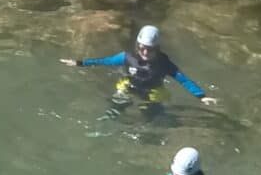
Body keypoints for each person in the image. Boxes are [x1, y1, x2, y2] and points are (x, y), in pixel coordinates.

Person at [61, 25, 218, 112]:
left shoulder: (164, 63)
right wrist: (79, 63)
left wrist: (201, 96)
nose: (145, 52)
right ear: (137, 46)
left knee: (152, 115)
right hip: (129, 86)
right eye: (142, 48)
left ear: (157, 48)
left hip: (153, 92)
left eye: (150, 49)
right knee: (115, 108)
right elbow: (104, 61)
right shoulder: (126, 57)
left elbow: (183, 79)